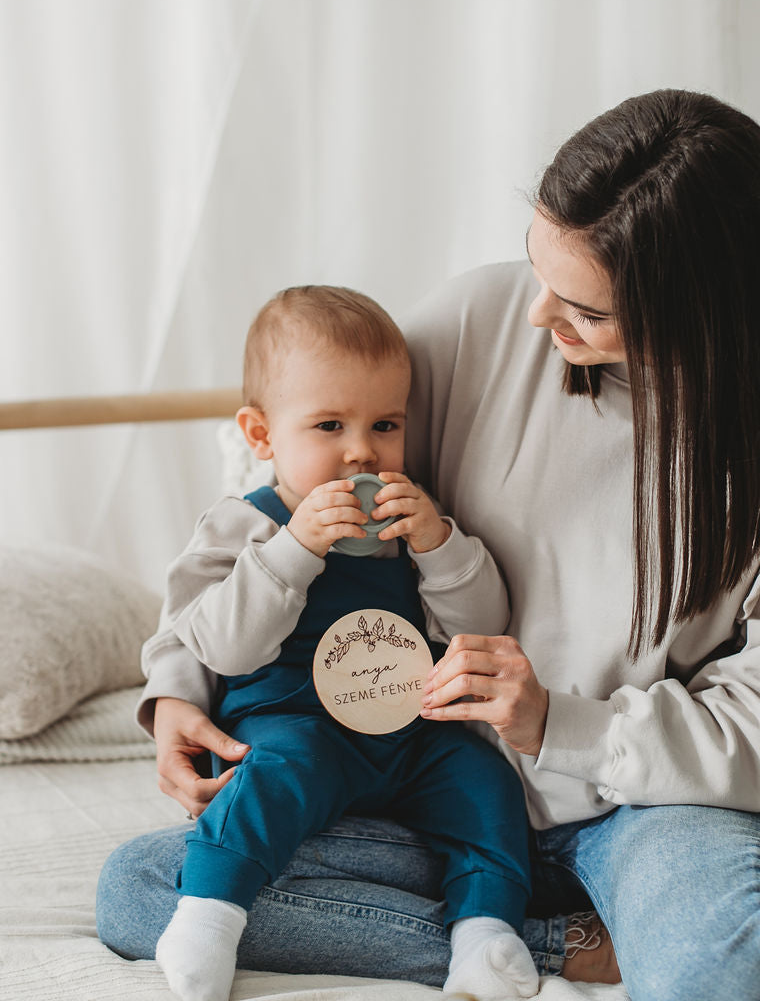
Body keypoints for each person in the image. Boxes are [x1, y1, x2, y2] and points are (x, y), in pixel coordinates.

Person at [97, 90, 760, 1000]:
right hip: (444, 786)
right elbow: (286, 491)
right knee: (144, 890)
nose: (538, 317)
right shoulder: (480, 324)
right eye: (538, 269)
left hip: (654, 802)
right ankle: (551, 939)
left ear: (695, 311)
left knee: (730, 976)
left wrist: (559, 725)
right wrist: (175, 687)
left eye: (584, 308)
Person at [140, 285, 538, 1001]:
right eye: (328, 425)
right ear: (261, 436)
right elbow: (217, 646)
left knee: (486, 785)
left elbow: (483, 623)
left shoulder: (410, 522)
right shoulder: (243, 525)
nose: (362, 450)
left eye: (385, 423)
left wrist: (439, 544)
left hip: (407, 729)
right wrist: (294, 548)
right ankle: (208, 915)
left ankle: (486, 934)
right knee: (275, 774)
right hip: (295, 726)